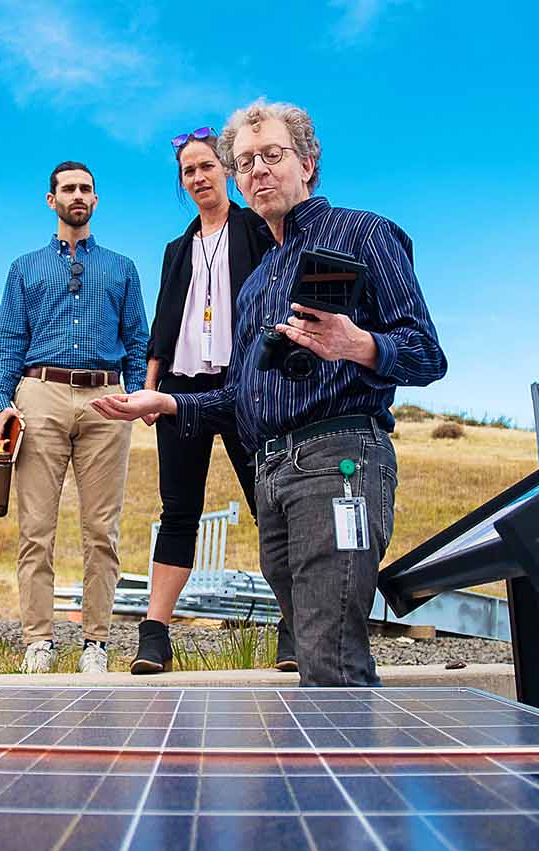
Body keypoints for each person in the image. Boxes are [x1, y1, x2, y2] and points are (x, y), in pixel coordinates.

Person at [94, 100, 446, 686]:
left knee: (330, 655)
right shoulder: (259, 282)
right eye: (246, 160)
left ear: (308, 163)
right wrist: (171, 402)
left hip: (340, 461)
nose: (258, 169)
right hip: (273, 472)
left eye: (273, 156)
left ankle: (345, 775)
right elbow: (240, 395)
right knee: (314, 649)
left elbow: (427, 354)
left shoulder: (364, 232)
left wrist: (359, 344)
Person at [134, 127, 297, 675]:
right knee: (178, 509)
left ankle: (294, 626)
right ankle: (154, 634)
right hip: (182, 389)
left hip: (248, 383)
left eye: (206, 166)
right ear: (182, 183)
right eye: (189, 172)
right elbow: (163, 322)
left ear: (226, 170)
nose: (199, 177)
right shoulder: (176, 248)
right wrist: (150, 389)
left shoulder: (255, 229)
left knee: (267, 505)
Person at [0, 161, 149, 674]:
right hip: (41, 395)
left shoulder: (122, 268)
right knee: (36, 527)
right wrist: (1, 406)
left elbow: (137, 340)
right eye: (67, 188)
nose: (77, 195)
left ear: (95, 201)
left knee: (102, 529)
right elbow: (8, 342)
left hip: (106, 398)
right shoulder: (24, 268)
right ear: (50, 198)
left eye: (85, 189)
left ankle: (95, 642)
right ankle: (38, 639)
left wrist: (139, 393)